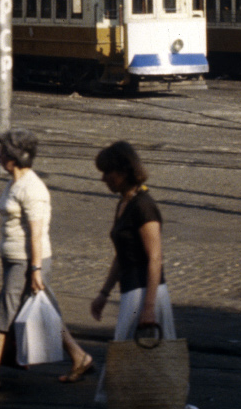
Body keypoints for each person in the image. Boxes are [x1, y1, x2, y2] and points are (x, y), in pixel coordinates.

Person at [0, 128, 94, 399]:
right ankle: (79, 357)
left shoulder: (32, 188)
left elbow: (37, 232)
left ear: (13, 157)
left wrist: (34, 269)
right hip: (15, 259)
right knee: (45, 310)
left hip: (26, 262)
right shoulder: (14, 182)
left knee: (4, 313)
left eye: (2, 152)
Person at [89, 140, 176, 403]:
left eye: (108, 173)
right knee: (128, 360)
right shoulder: (124, 204)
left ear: (124, 171)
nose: (104, 179)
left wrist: (148, 308)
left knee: (129, 359)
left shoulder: (143, 206)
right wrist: (104, 293)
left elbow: (155, 257)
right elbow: (121, 255)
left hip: (144, 293)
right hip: (131, 292)